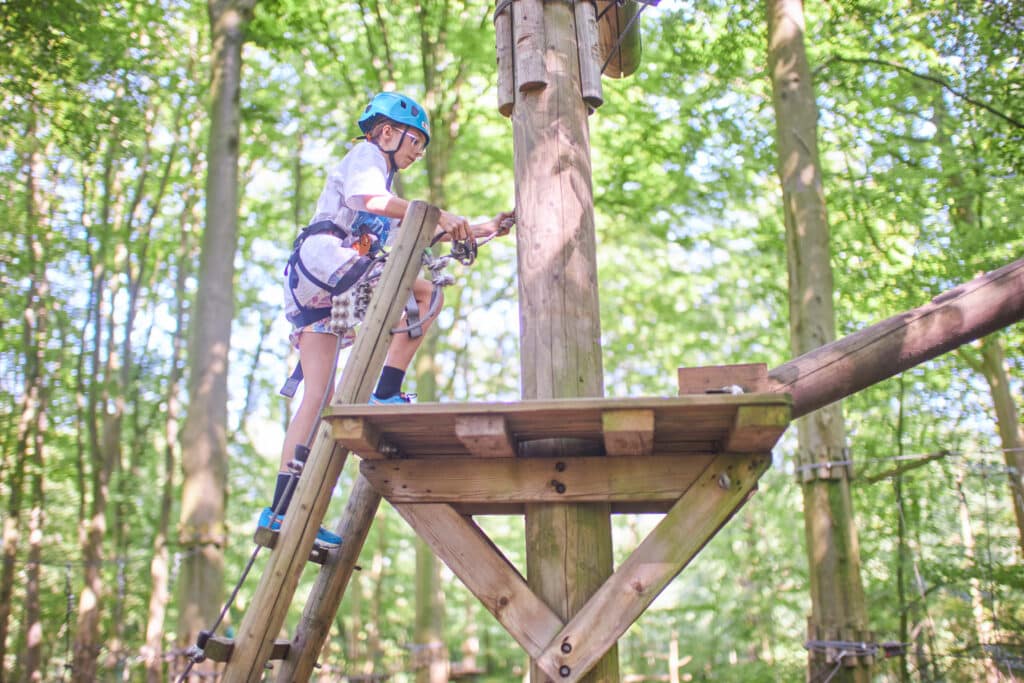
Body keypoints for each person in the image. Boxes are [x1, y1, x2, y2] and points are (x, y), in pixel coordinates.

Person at [258, 92, 514, 547]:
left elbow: (424, 230)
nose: (417, 152)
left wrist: (483, 228)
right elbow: (367, 198)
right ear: (388, 132)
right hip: (329, 260)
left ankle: (283, 509)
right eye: (415, 140)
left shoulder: (388, 196)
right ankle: (388, 390)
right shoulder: (366, 156)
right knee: (426, 290)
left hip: (313, 287)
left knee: (318, 395)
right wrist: (433, 213)